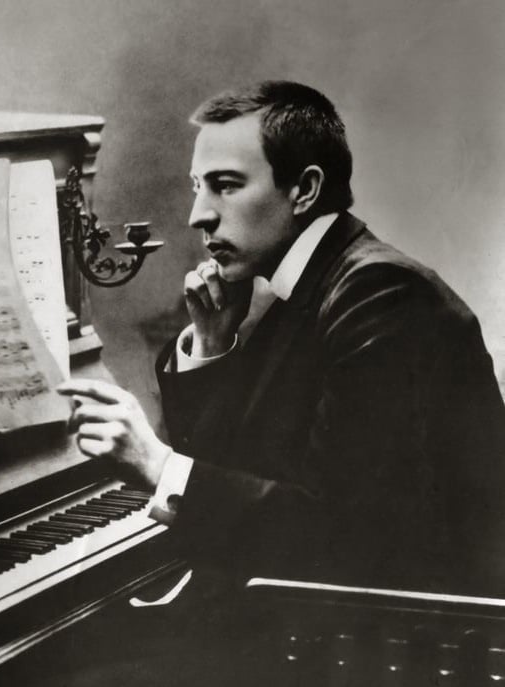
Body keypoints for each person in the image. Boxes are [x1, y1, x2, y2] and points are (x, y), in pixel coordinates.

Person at [59, 80, 505, 597]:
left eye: (225, 185)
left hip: (414, 629)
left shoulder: (381, 293)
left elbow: (343, 535)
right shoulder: (316, 283)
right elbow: (247, 471)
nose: (198, 215)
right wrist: (211, 346)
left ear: (305, 190)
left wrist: (156, 464)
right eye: (197, 186)